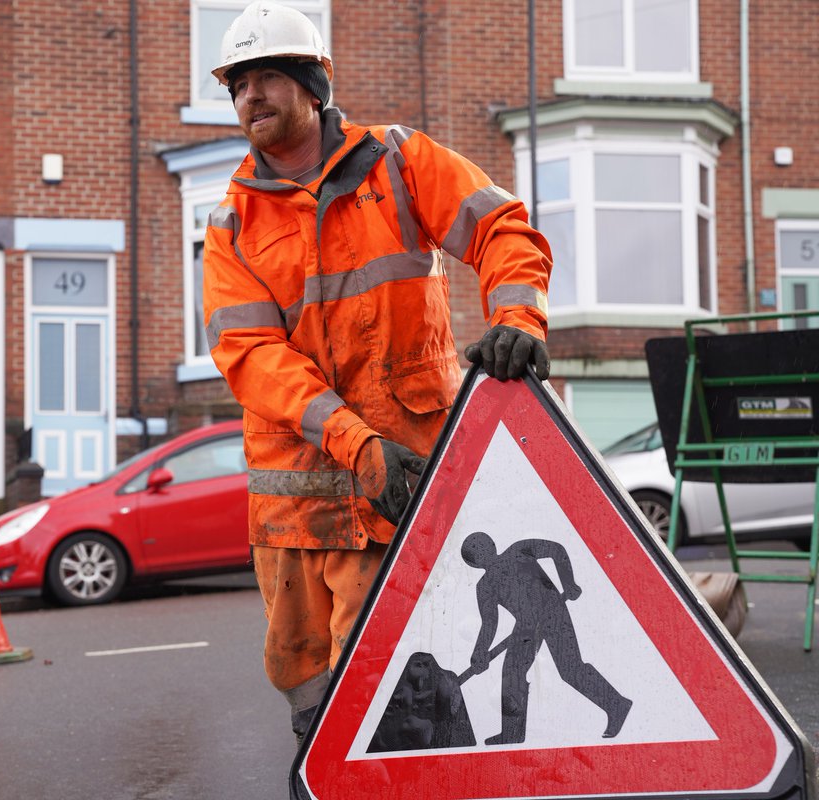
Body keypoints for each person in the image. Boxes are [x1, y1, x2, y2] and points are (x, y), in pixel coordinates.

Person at [202, 1, 553, 744]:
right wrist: (356, 445)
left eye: (266, 76)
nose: (249, 97)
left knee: (410, 684)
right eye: (237, 84)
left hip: (405, 488)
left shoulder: (397, 162)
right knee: (312, 690)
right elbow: (253, 357)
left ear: (313, 81)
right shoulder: (231, 222)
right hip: (298, 508)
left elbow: (500, 226)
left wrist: (517, 319)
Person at [461, 531, 632, 744]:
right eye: (476, 553)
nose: (482, 553)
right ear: (474, 564)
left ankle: (617, 705)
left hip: (553, 611)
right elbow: (489, 623)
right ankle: (512, 733)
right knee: (511, 675)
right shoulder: (485, 586)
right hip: (525, 627)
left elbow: (556, 550)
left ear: (492, 544)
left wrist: (568, 582)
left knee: (570, 669)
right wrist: (479, 652)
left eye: (482, 547)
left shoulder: (519, 550)